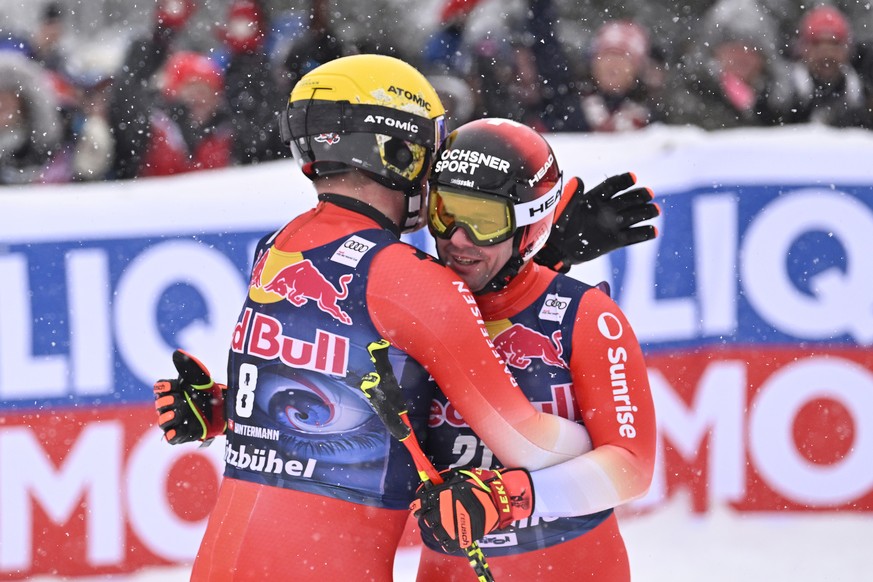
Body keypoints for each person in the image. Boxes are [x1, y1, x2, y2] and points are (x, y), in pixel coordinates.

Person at [152, 54, 596, 580]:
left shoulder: (278, 247)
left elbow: (323, 404)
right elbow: (527, 444)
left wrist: (228, 409)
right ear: (399, 152)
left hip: (223, 559)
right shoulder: (413, 279)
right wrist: (605, 444)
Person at [410, 118, 657, 580]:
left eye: (483, 220)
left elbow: (632, 467)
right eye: (444, 212)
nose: (457, 238)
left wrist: (510, 498)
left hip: (575, 566)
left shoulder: (586, 317)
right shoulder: (405, 303)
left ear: (529, 225)